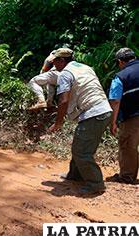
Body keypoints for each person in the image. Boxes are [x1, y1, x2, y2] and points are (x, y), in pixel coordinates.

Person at [48, 48, 112, 195]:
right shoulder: (85, 67)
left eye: (55, 62)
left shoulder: (65, 73)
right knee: (79, 144)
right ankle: (75, 175)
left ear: (62, 60)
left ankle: (95, 184)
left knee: (82, 151)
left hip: (93, 113)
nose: (53, 66)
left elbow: (63, 100)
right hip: (103, 109)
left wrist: (58, 123)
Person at [106, 48, 139, 184]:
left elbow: (115, 100)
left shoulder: (120, 76)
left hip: (132, 116)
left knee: (128, 145)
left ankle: (127, 177)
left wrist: (113, 122)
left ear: (120, 62)